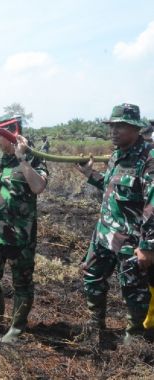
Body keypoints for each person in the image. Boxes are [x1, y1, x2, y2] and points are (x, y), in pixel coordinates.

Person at [75, 103, 154, 345]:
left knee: (133, 291)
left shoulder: (148, 159)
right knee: (92, 278)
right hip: (103, 235)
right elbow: (112, 189)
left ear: (135, 128)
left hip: (130, 240)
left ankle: (135, 338)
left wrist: (148, 245)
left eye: (120, 126)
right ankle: (95, 325)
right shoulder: (116, 155)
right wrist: (90, 175)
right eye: (112, 126)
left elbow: (152, 204)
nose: (114, 131)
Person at [0, 115, 48, 343]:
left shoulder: (35, 159)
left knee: (22, 281)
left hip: (22, 237)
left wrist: (23, 160)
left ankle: (17, 328)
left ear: (11, 135)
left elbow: (38, 187)